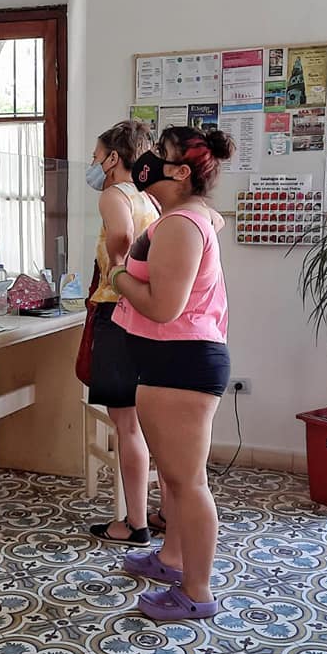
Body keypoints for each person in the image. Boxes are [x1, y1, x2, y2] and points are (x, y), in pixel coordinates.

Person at [109, 126, 233, 620]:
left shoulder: (181, 224)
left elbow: (164, 307)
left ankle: (197, 592)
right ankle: (172, 558)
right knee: (177, 479)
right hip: (172, 360)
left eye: (160, 153)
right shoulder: (186, 216)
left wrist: (117, 275)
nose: (148, 159)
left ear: (181, 172)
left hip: (182, 363)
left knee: (189, 483)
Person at [85, 120, 164, 547]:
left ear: (114, 158)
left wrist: (119, 270)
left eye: (97, 155)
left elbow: (121, 235)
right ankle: (163, 511)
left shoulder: (114, 194)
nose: (94, 163)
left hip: (117, 313)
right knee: (152, 425)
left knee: (127, 425)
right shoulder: (150, 198)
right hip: (147, 316)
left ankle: (135, 524)